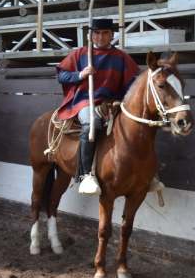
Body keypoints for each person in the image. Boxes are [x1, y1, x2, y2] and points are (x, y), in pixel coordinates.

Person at [56, 18, 141, 195]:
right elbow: (61, 76)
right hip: (85, 101)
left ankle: (146, 173)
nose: (100, 37)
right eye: (96, 33)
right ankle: (85, 175)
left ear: (112, 35)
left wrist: (123, 99)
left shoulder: (121, 57)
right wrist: (81, 74)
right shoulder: (80, 54)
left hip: (113, 103)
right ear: (90, 34)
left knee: (137, 125)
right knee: (92, 124)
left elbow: (132, 83)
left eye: (105, 33)